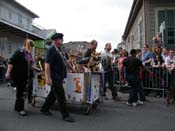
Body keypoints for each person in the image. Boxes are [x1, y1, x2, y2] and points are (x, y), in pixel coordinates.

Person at [40, 33, 75, 122]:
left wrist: (72, 69)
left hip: (60, 75)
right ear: (55, 40)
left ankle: (44, 109)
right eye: (61, 39)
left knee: (53, 94)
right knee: (61, 95)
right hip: (54, 76)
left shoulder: (61, 50)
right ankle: (65, 115)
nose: (62, 40)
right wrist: (48, 78)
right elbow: (47, 65)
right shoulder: (51, 50)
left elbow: (66, 61)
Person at [5, 39, 34, 116]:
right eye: (31, 46)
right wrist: (8, 73)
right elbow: (11, 62)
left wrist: (35, 68)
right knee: (21, 92)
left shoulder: (28, 53)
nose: (32, 48)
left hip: (26, 76)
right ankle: (21, 109)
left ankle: (17, 107)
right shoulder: (19, 52)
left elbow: (30, 64)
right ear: (27, 45)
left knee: (21, 92)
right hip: (19, 76)